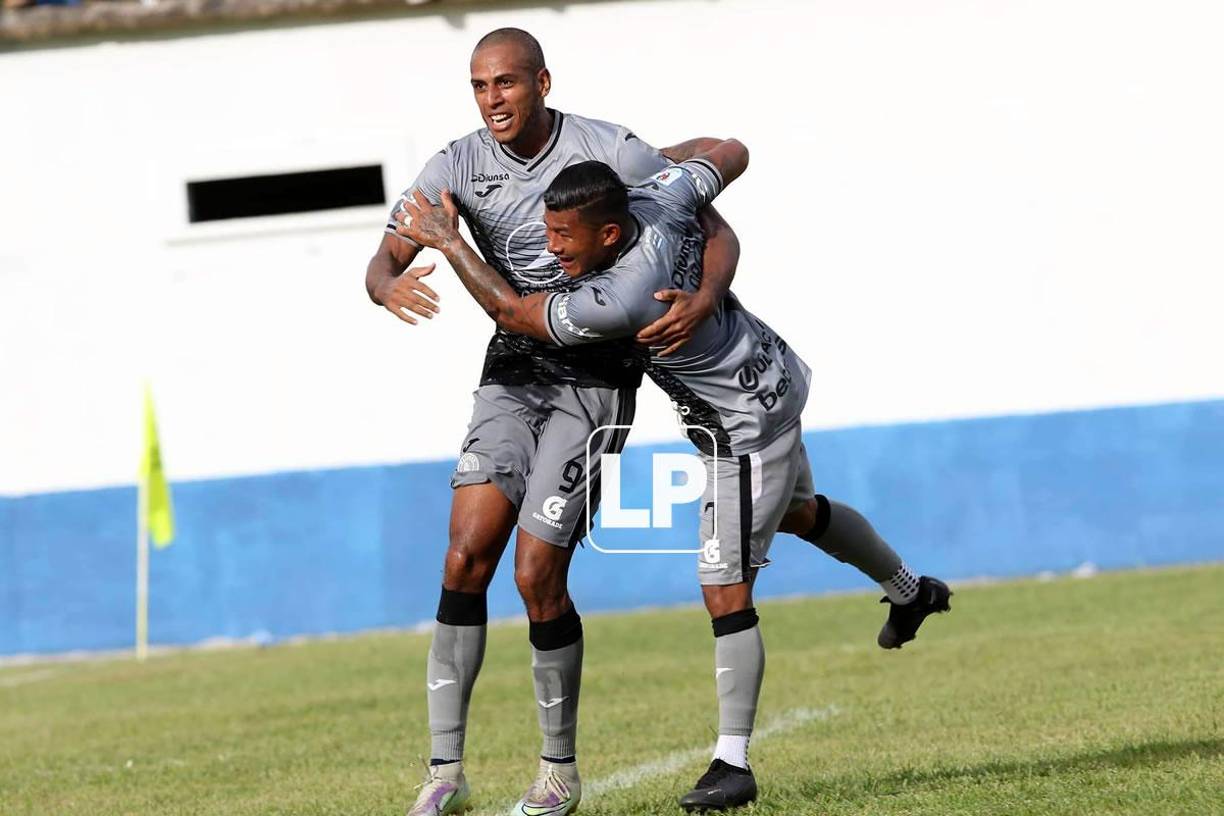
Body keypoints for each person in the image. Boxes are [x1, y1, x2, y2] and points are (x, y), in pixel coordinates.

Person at [398, 139, 953, 812]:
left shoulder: (621, 295)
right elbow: (731, 152)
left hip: (740, 425)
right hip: (771, 374)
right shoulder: (659, 198)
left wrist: (449, 242)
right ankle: (910, 592)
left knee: (723, 582)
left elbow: (514, 315)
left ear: (608, 233)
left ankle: (733, 763)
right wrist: (684, 230)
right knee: (800, 512)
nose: (550, 251)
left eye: (563, 238)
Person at [366, 28, 742, 816]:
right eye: (479, 86)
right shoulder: (457, 165)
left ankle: (558, 771)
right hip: (513, 367)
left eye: (505, 83)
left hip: (597, 375)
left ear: (541, 82)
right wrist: (383, 284)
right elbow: (386, 257)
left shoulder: (607, 148)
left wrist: (703, 296)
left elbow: (707, 214)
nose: (492, 99)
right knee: (465, 555)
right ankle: (444, 772)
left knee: (537, 575)